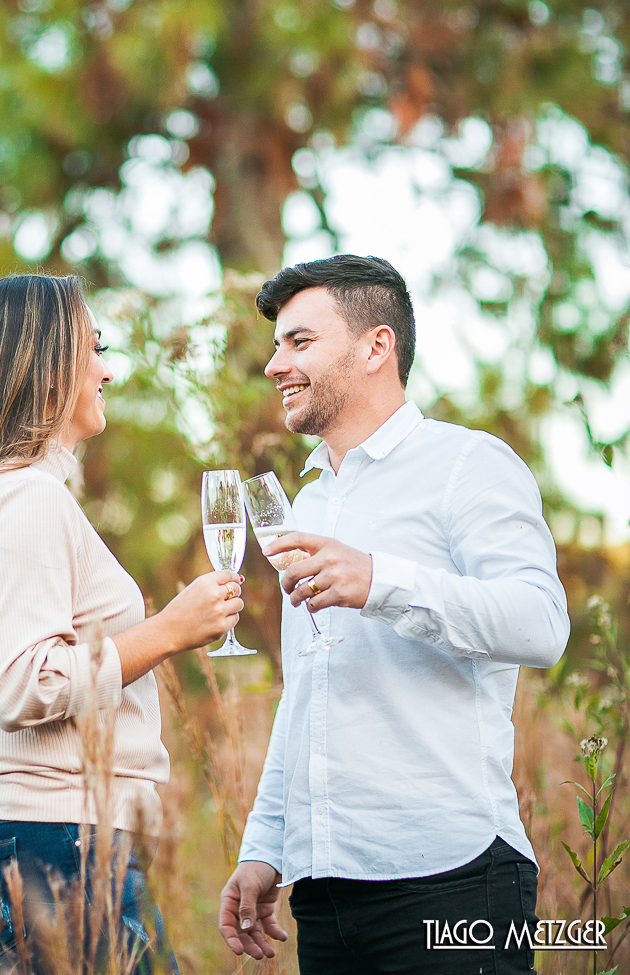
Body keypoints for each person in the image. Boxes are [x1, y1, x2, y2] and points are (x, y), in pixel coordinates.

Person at [218, 254, 570, 974]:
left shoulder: (468, 464)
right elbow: (307, 691)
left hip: (454, 880)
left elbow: (541, 624)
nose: (274, 364)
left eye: (299, 342)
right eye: (277, 344)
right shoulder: (307, 503)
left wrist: (380, 580)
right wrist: (265, 847)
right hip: (323, 895)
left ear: (377, 346)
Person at [0, 273, 244, 974]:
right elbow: (19, 684)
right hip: (58, 839)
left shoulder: (15, 495)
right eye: (96, 348)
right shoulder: (27, 500)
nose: (109, 369)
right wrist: (171, 631)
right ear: (46, 364)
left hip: (44, 837)